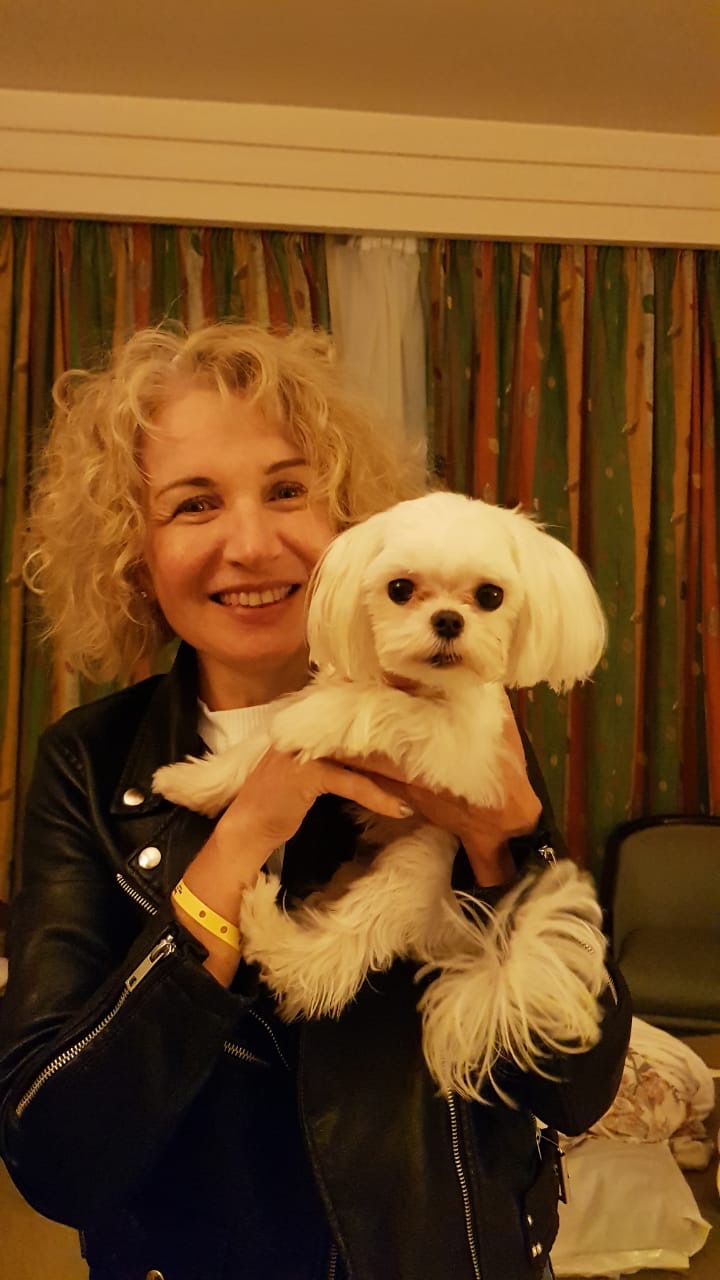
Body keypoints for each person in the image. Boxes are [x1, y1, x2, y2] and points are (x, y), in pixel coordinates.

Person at [0, 322, 631, 1280]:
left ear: (352, 518)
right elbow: (58, 1157)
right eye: (193, 504)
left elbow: (574, 1089)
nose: (252, 544)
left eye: (289, 490)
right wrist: (246, 829)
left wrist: (509, 842)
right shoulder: (87, 764)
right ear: (134, 547)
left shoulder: (472, 723)